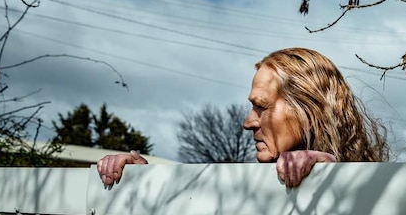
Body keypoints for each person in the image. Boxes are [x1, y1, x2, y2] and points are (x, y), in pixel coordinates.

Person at [97, 47, 388, 188]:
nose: (248, 122)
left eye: (262, 106)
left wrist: (338, 177)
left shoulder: (382, 188)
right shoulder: (252, 185)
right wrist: (141, 178)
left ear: (309, 113)